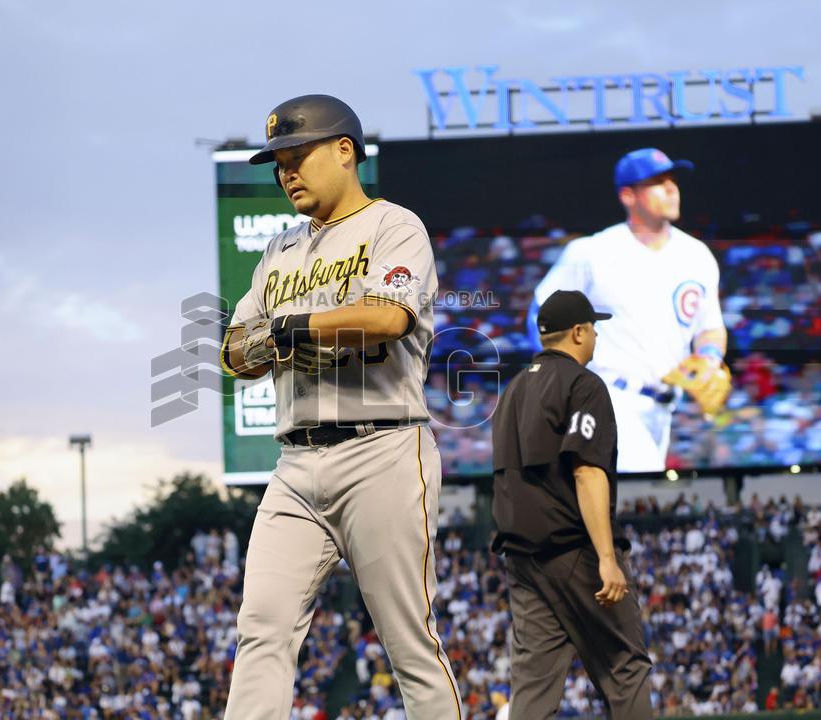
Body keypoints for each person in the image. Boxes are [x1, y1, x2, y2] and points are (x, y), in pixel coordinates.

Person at [219, 94, 462, 719]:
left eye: (297, 155)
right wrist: (266, 340)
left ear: (345, 151)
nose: (285, 172)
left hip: (383, 449)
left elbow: (387, 316)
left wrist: (292, 327)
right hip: (296, 464)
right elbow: (232, 351)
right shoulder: (277, 252)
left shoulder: (394, 226)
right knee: (262, 626)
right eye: (278, 162)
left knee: (408, 640)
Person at [493, 290, 653, 719]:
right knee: (625, 667)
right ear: (579, 332)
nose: (597, 336)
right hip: (574, 550)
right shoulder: (584, 384)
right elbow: (586, 470)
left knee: (533, 684)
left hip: (523, 558)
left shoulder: (513, 390)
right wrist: (606, 557)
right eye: (594, 328)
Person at [531, 148, 728, 472]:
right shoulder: (593, 252)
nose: (670, 188)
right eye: (657, 181)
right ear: (628, 195)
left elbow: (710, 325)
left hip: (664, 408)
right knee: (640, 482)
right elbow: (541, 311)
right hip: (609, 396)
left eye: (672, 180)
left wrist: (709, 357)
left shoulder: (697, 255)